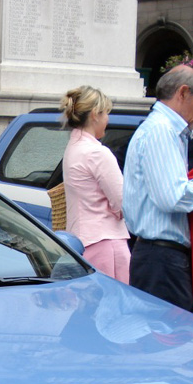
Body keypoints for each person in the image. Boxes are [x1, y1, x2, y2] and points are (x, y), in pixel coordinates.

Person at [122, 65, 193, 310]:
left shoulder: (165, 129)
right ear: (183, 93)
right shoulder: (162, 130)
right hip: (160, 259)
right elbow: (172, 197)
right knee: (167, 340)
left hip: (158, 257)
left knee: (165, 338)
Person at [60, 85, 132, 282]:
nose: (108, 119)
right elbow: (124, 203)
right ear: (95, 115)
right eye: (106, 113)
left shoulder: (73, 148)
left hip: (81, 240)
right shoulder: (97, 152)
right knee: (114, 306)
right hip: (106, 242)